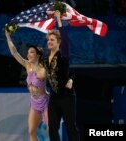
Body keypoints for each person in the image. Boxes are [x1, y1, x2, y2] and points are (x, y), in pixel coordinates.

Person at [5, 30, 50, 141]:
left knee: (51, 130)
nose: (28, 54)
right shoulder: (27, 65)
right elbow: (14, 52)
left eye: (31, 52)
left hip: (45, 102)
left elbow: (48, 73)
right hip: (34, 102)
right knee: (31, 131)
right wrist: (7, 35)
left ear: (37, 55)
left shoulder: (42, 70)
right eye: (28, 52)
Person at [44, 10, 79, 141]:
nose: (49, 42)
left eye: (52, 39)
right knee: (52, 127)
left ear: (59, 42)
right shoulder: (46, 58)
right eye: (48, 40)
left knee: (70, 126)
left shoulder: (63, 55)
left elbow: (64, 37)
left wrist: (58, 20)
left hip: (67, 97)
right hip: (53, 97)